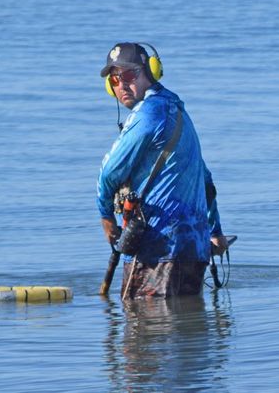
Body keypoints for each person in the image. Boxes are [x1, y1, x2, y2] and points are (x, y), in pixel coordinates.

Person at [96, 42, 229, 299]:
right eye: (115, 79)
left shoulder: (149, 114)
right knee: (188, 333)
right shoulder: (178, 111)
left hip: (157, 251)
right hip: (193, 249)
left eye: (129, 75)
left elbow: (108, 172)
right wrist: (215, 231)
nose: (121, 84)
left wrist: (106, 217)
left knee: (142, 329)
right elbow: (206, 183)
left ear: (150, 71)